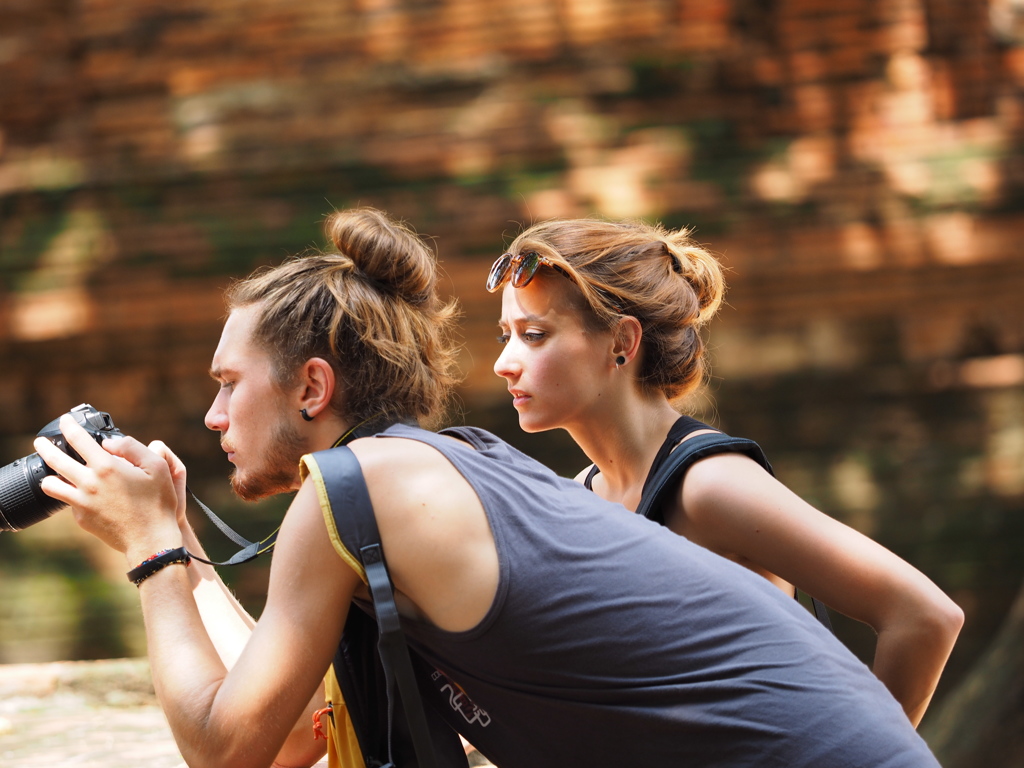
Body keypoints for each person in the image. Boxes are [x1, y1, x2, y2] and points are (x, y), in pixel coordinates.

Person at [36, 207, 943, 768]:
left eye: (228, 384)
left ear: (313, 389)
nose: (210, 416)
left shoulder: (360, 487)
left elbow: (227, 750)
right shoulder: (434, 482)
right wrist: (177, 549)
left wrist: (152, 549)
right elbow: (283, 734)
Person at [489, 217, 965, 728]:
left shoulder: (709, 485)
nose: (503, 363)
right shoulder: (577, 498)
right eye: (506, 335)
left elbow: (924, 616)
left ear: (621, 343)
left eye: (534, 335)